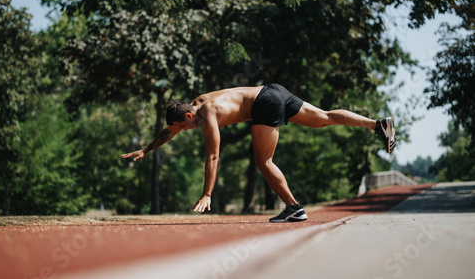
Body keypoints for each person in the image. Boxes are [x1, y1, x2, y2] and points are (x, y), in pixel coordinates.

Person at [122, 84, 396, 223]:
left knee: (263, 161)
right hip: (273, 90)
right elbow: (169, 130)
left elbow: (214, 157)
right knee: (323, 118)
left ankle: (294, 208)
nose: (184, 130)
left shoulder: (206, 116)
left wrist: (207, 193)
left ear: (189, 116)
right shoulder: (196, 103)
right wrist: (147, 149)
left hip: (264, 104)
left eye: (184, 126)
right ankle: (377, 124)